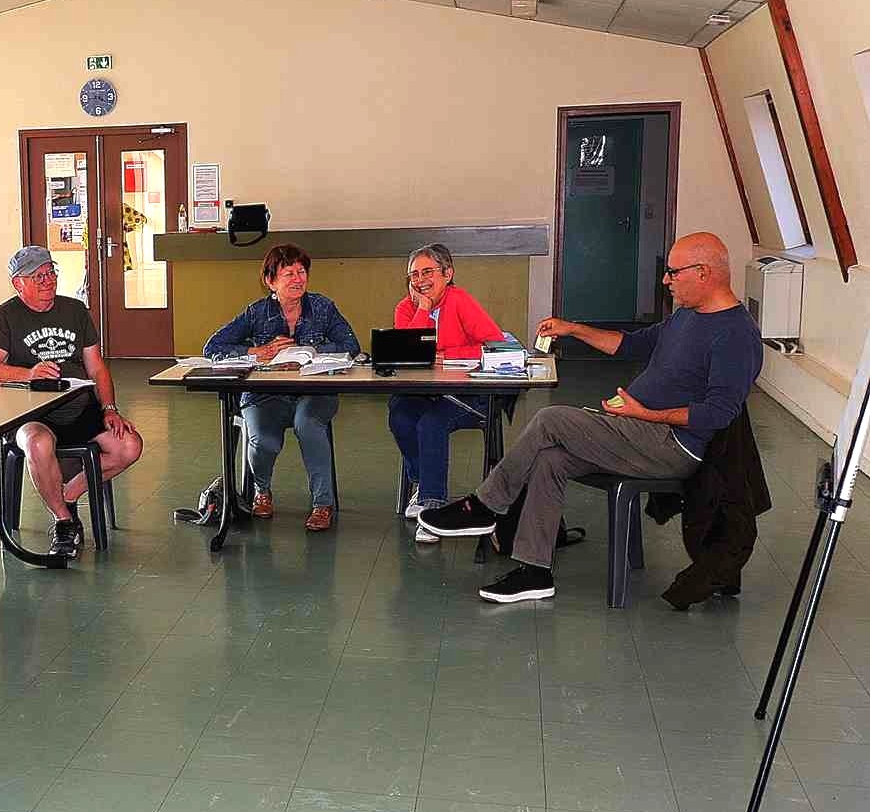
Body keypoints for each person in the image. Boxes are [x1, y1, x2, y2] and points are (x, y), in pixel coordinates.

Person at [421, 232, 763, 604]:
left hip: (673, 445)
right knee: (551, 459)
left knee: (551, 420)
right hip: (638, 430)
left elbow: (718, 413)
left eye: (673, 272)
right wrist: (573, 329)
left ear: (703, 272)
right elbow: (630, 344)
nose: (666, 280)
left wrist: (645, 413)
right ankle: (535, 571)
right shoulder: (687, 315)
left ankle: (484, 506)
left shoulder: (736, 334)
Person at [0, 245, 143, 557]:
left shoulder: (75, 311)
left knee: (130, 446)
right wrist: (29, 374)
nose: (48, 280)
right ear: (18, 283)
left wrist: (109, 408)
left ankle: (67, 494)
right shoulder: (5, 317)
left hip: (79, 408)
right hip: (32, 414)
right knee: (38, 444)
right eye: (38, 276)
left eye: (50, 272)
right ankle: (64, 521)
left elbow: (97, 368)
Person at [203, 242, 359, 531]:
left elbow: (351, 346)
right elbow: (213, 347)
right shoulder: (256, 312)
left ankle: (322, 504)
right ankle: (261, 490)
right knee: (264, 440)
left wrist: (309, 349)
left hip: (314, 392)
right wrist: (257, 352)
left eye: (302, 272)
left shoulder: (323, 307)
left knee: (308, 424)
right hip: (265, 395)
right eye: (289, 274)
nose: (298, 279)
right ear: (270, 281)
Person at [386, 243, 504, 544]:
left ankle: (432, 505)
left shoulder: (460, 300)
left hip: (467, 394)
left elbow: (495, 345)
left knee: (431, 423)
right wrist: (423, 309)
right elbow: (406, 352)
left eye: (428, 272)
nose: (420, 280)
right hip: (425, 392)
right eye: (414, 274)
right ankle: (423, 482)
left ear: (447, 274)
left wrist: (447, 355)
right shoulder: (405, 308)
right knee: (400, 415)